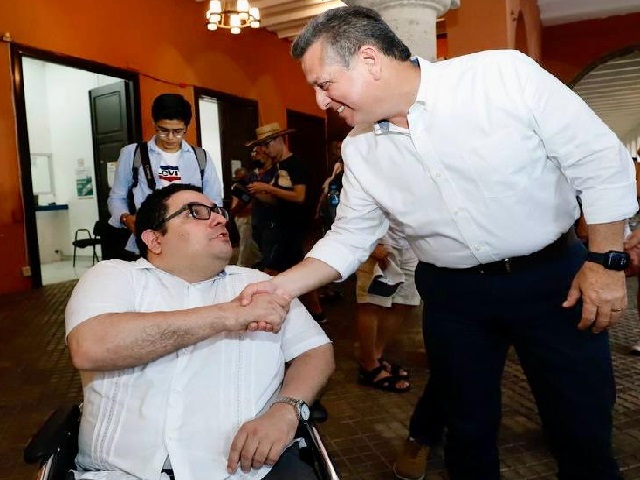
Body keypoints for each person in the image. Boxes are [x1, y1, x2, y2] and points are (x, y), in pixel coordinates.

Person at [240, 6, 638, 479]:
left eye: (324, 84)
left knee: (581, 423)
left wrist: (606, 262)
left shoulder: (500, 77)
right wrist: (278, 288)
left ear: (369, 59)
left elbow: (598, 160)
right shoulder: (360, 148)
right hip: (453, 297)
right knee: (465, 429)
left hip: (554, 281)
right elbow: (349, 236)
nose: (320, 101)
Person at [65, 183, 334, 480]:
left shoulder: (257, 283)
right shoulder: (115, 277)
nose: (219, 219)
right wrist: (228, 315)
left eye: (218, 211)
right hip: (120, 473)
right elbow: (91, 347)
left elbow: (316, 349)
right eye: (196, 212)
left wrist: (286, 409)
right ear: (154, 239)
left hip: (250, 471)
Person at [107, 93, 223, 256]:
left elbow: (214, 201)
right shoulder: (133, 154)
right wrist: (126, 218)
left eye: (177, 131)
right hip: (149, 240)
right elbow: (116, 197)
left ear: (186, 127)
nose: (170, 137)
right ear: (154, 124)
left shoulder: (200, 157)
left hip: (192, 241)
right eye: (163, 130)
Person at [245, 123, 328, 324]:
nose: (265, 151)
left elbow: (299, 196)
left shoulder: (294, 164)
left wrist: (268, 188)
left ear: (278, 140)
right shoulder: (278, 167)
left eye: (267, 145)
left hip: (289, 229)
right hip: (279, 225)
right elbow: (279, 201)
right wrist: (258, 193)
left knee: (269, 272)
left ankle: (263, 316)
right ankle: (318, 314)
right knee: (300, 273)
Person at [355, 228, 419, 393]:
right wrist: (369, 244)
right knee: (371, 303)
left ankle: (376, 355)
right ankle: (369, 365)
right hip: (378, 240)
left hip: (411, 242)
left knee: (406, 301)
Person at [229, 166, 261, 267]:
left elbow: (245, 201)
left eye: (244, 176)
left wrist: (233, 211)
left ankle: (241, 264)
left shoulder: (248, 187)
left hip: (246, 216)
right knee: (247, 240)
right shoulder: (237, 186)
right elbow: (241, 200)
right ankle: (258, 257)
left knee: (245, 241)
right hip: (240, 216)